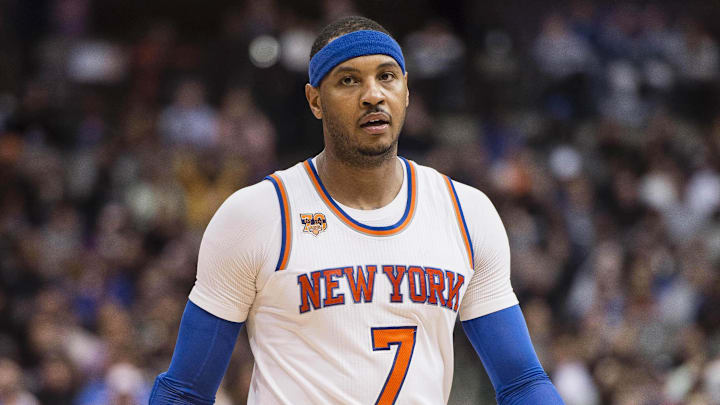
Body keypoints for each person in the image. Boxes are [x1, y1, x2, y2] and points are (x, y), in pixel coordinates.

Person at [150, 16, 565, 405]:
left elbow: (522, 381)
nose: (372, 95)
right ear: (315, 100)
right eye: (348, 80)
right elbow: (185, 391)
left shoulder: (466, 212)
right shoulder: (256, 215)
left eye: (386, 76)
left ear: (406, 91)